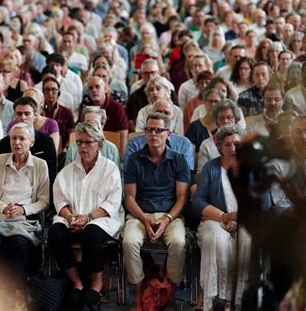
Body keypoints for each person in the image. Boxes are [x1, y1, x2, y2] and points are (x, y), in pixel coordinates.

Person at [193, 125, 271, 310]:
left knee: (249, 241)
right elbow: (198, 201)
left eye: (236, 144)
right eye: (227, 144)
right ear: (220, 147)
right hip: (218, 220)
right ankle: (211, 298)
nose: (232, 149)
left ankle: (240, 299)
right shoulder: (211, 167)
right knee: (215, 239)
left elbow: (266, 202)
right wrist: (224, 216)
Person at [48, 121, 124, 309]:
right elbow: (60, 200)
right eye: (79, 142)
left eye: (88, 142)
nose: (82, 147)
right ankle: (77, 282)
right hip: (72, 218)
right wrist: (70, 217)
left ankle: (97, 284)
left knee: (91, 233)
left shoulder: (109, 169)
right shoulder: (67, 171)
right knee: (55, 233)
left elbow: (112, 202)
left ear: (99, 144)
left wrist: (88, 218)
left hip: (100, 218)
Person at [0, 122, 49, 306]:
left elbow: (44, 200)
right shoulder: (0, 160)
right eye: (13, 138)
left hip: (25, 218)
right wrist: (3, 207)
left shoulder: (40, 165)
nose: (17, 142)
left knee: (19, 242)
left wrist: (23, 209)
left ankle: (20, 290)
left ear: (31, 142)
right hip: (1, 215)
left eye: (22, 138)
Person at [123, 112, 191, 309]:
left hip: (170, 215)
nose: (153, 134)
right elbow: (129, 197)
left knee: (178, 243)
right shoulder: (134, 160)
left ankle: (168, 291)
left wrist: (167, 220)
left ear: (168, 134)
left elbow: (182, 198)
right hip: (139, 213)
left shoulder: (179, 160)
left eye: (158, 130)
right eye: (149, 130)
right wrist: (145, 220)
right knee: (129, 242)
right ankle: (141, 293)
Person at [0, 97, 57, 197]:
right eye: (19, 114)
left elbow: (51, 176)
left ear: (35, 115)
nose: (23, 117)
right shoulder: (5, 142)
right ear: (14, 115)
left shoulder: (46, 142)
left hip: (37, 195)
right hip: (8, 194)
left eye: (27, 113)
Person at [42, 75, 75, 151]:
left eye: (54, 90)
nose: (50, 93)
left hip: (62, 150)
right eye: (47, 90)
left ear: (59, 92)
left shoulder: (67, 112)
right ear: (43, 92)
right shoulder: (38, 112)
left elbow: (72, 135)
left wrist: (66, 149)